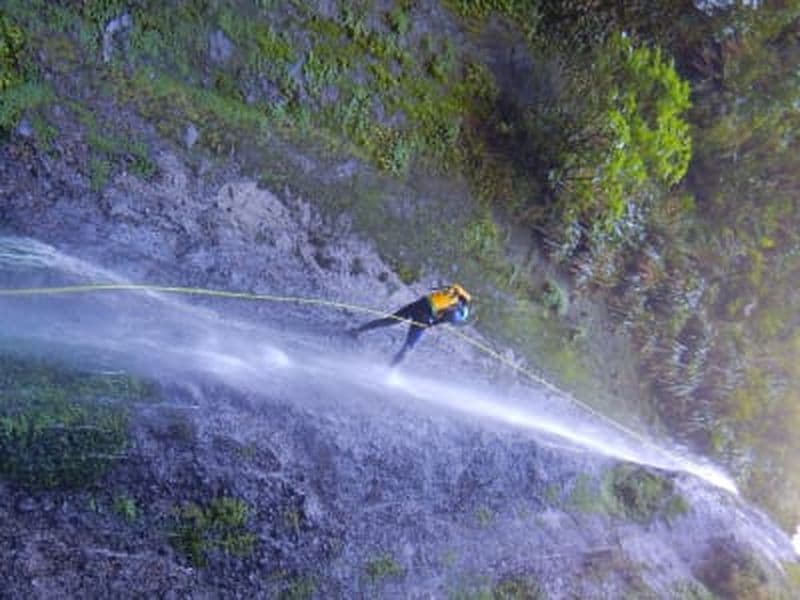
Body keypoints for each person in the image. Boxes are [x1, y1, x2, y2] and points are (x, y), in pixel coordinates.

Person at [349, 283, 472, 366]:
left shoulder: (453, 292)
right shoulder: (457, 310)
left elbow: (454, 293)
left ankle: (356, 330)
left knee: (390, 320)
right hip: (426, 314)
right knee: (409, 346)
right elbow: (443, 319)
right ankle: (389, 370)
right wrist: (431, 323)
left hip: (419, 304)